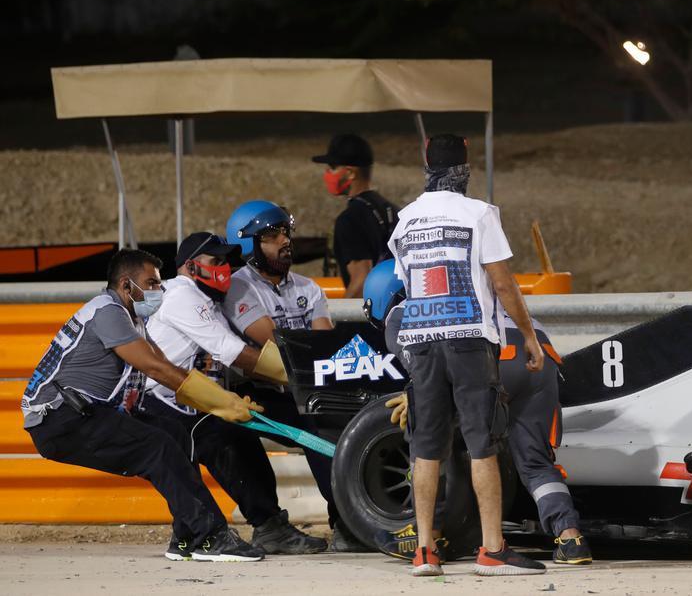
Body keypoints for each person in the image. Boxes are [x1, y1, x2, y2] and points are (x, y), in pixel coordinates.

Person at [21, 249, 264, 562]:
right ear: (126, 286)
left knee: (175, 433)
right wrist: (223, 403)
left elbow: (164, 366)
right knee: (157, 446)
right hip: (60, 418)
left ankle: (188, 537)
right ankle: (212, 536)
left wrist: (221, 402)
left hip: (84, 412)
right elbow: (156, 368)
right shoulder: (108, 311)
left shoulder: (130, 317)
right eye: (151, 283)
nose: (158, 291)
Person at [388, 133, 547, 577]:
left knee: (425, 447)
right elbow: (502, 282)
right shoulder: (479, 214)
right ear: (465, 168)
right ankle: (492, 550)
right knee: (481, 444)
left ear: (426, 165)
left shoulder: (404, 222)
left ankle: (424, 552)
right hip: (469, 339)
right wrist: (530, 338)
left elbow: (406, 283)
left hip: (419, 340)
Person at [362, 260, 593, 565]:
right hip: (538, 351)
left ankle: (429, 534)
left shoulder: (403, 313)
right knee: (535, 461)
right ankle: (570, 537)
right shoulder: (466, 290)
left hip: (489, 357)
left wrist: (416, 395)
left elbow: (426, 371)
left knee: (444, 444)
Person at [140, 231, 327, 554]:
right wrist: (300, 376)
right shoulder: (182, 295)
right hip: (159, 401)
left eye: (227, 262)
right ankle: (265, 527)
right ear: (190, 266)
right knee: (228, 437)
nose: (224, 268)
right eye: (215, 261)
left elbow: (232, 358)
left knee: (230, 434)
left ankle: (189, 536)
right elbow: (231, 350)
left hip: (183, 398)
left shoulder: (205, 299)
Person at [221, 200, 371, 552]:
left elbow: (320, 348)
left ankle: (352, 523)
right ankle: (343, 525)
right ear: (248, 244)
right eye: (272, 235)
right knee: (317, 427)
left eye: (286, 232)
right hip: (256, 395)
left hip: (302, 390)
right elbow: (274, 341)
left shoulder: (309, 287)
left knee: (337, 421)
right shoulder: (237, 287)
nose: (285, 240)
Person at [312, 133, 400, 298]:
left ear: (350, 173)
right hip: (397, 312)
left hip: (369, 317)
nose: (327, 173)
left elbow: (361, 281)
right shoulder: (392, 209)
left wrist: (341, 317)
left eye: (332, 167)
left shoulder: (349, 220)